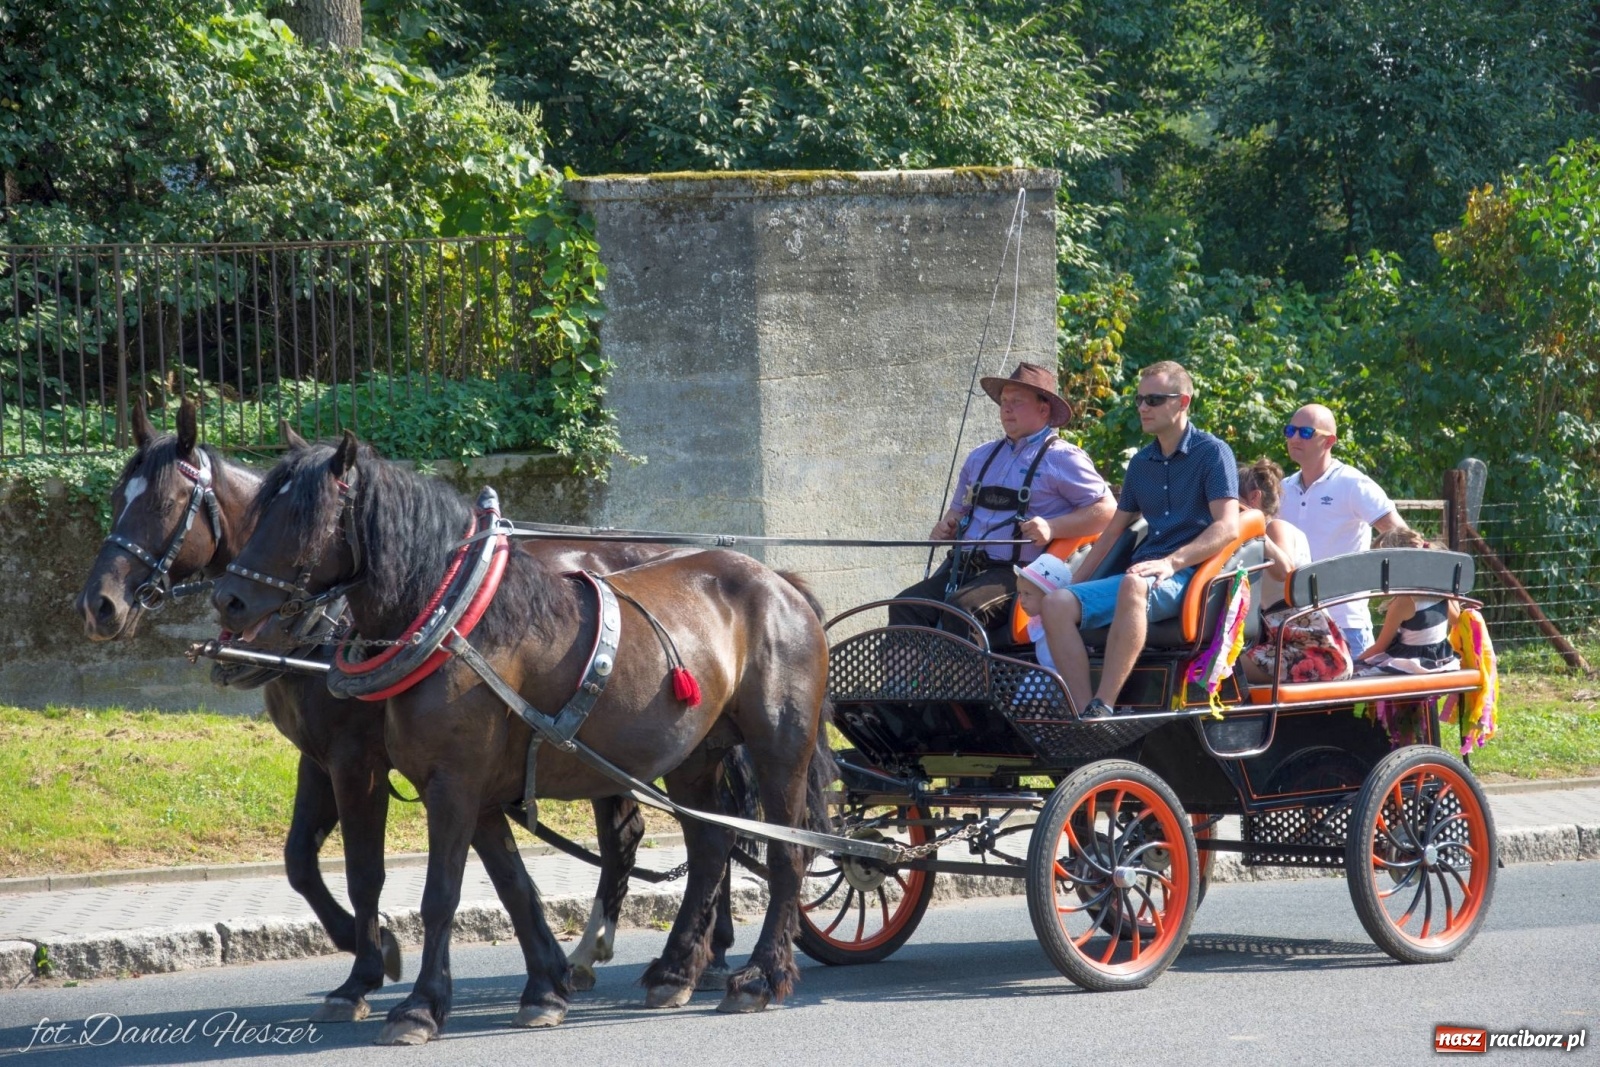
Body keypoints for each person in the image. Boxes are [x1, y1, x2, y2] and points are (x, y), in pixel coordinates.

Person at [1039, 361, 1239, 717]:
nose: (1143, 408)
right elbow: (1112, 531)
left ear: (1183, 402)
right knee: (1056, 604)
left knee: (1134, 583)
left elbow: (1228, 527)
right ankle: (1085, 711)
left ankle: (1105, 704)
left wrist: (1172, 562)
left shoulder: (1212, 453)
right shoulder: (1141, 464)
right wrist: (1071, 584)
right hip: (1145, 573)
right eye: (1140, 400)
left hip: (1190, 575)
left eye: (1155, 400)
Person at [890, 361, 1115, 638]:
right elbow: (958, 512)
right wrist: (946, 526)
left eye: (1017, 402)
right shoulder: (980, 457)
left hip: (1016, 575)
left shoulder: (1063, 458)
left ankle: (965, 682)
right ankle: (903, 682)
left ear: (1043, 409)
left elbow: (1108, 510)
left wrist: (1053, 527)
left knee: (962, 611)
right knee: (904, 607)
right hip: (963, 567)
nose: (1006, 408)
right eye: (1004, 401)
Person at [1280, 403, 1408, 657]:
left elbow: (1401, 537)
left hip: (1345, 623)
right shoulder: (1284, 488)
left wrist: (1401, 596)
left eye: (1305, 433)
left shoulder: (1353, 484)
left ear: (1329, 441)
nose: (1294, 438)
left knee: (1349, 697)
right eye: (1290, 430)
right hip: (1294, 623)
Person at [1237, 458, 1352, 685]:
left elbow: (1285, 571)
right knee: (1215, 663)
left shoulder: (1274, 528)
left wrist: (1254, 528)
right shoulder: (1253, 541)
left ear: (1254, 499)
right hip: (1286, 644)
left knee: (1220, 668)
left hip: (1315, 651)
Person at [1355, 528, 1461, 675]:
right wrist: (1449, 586)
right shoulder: (1440, 591)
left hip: (1412, 665)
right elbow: (1456, 619)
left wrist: (1354, 664)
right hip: (1442, 661)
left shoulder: (1404, 602)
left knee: (1363, 671)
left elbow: (1380, 647)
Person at [1013, 553, 1073, 705]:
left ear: (1048, 597)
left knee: (1038, 687)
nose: (1022, 601)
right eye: (1020, 594)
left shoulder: (1060, 624)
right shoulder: (1038, 621)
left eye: (1027, 594)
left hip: (1062, 679)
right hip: (1046, 673)